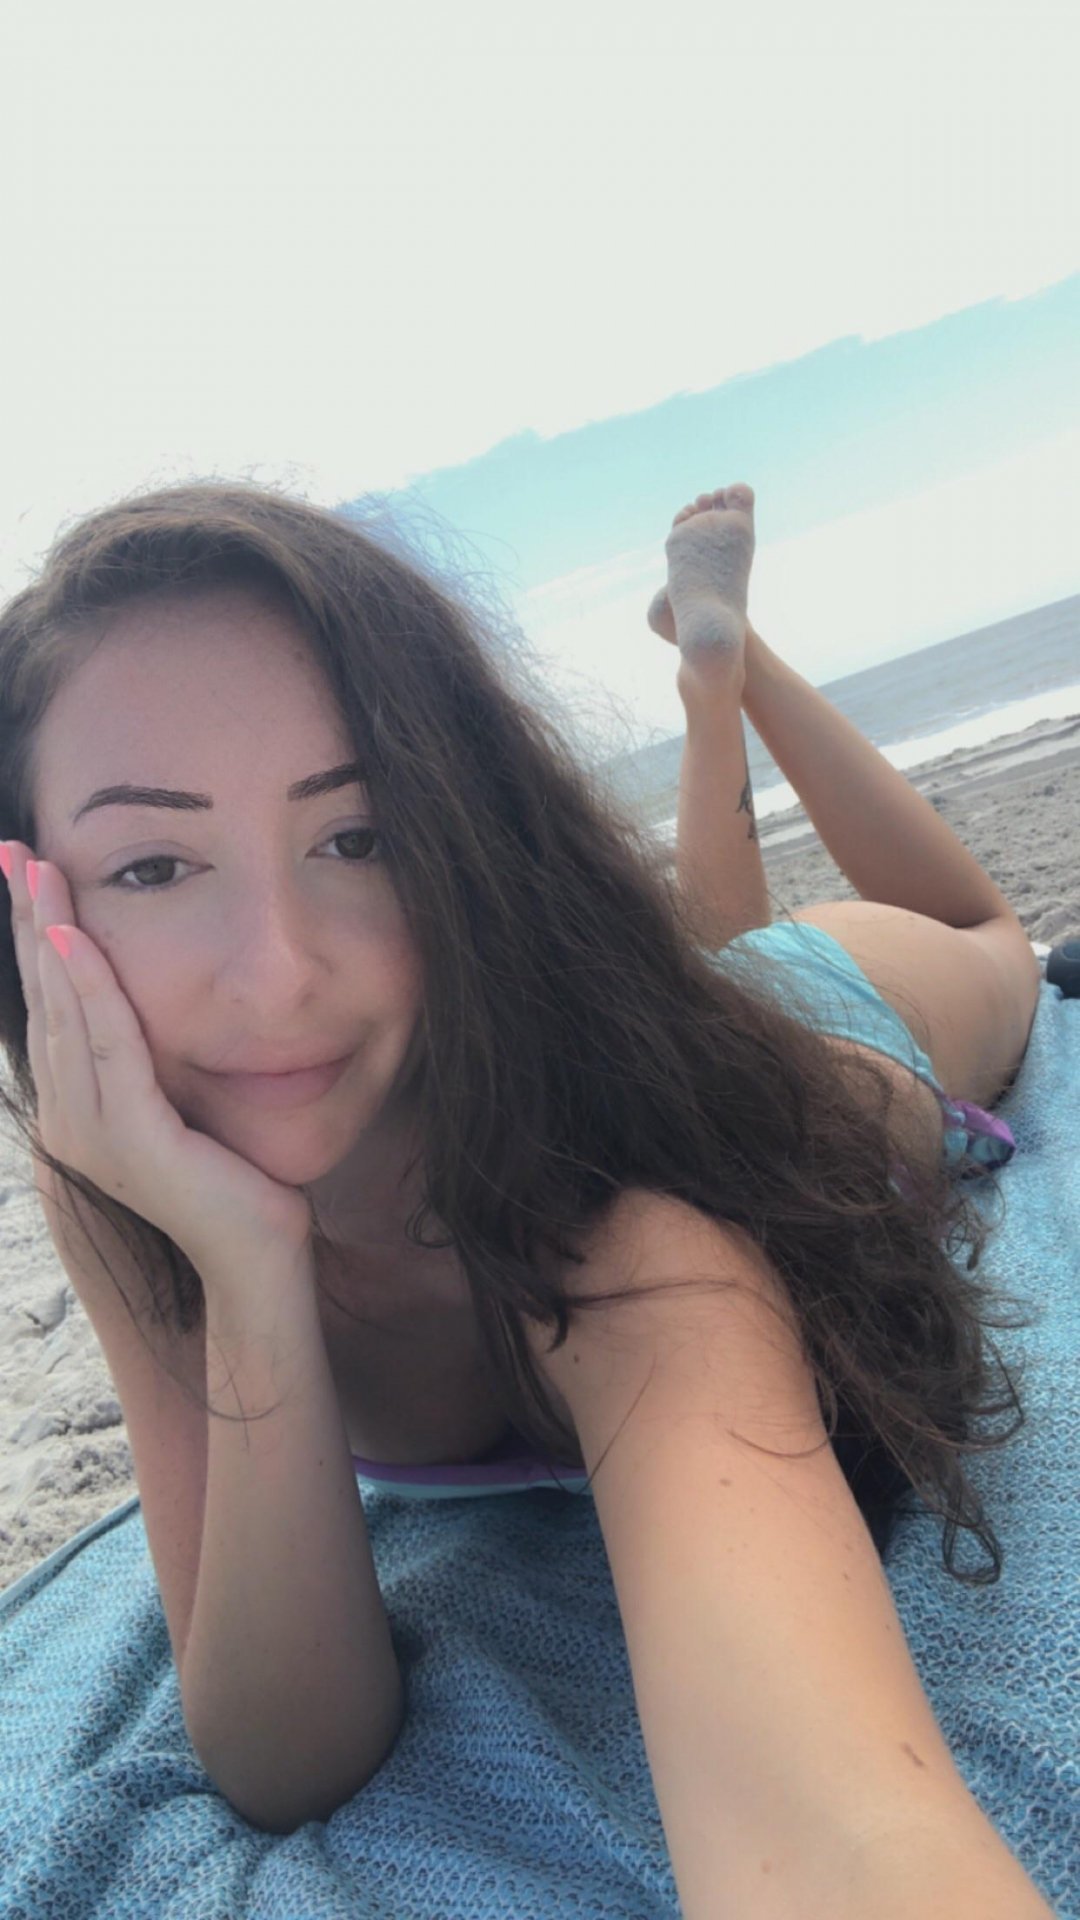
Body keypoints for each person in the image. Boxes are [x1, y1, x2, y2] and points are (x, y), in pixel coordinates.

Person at [0, 480, 1047, 1895]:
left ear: (462, 839)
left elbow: (841, 1834)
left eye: (358, 837)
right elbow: (282, 1754)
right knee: (710, 944)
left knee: (986, 934)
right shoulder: (120, 1184)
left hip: (824, 1024)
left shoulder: (624, 1232)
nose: (279, 971)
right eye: (153, 865)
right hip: (661, 1012)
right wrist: (246, 1271)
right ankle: (708, 682)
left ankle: (734, 668)